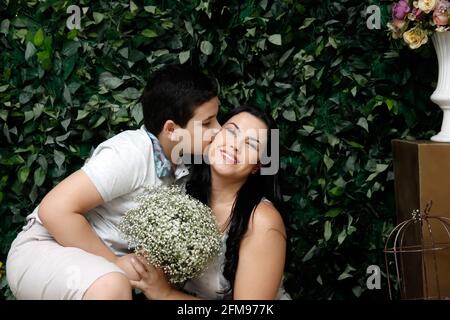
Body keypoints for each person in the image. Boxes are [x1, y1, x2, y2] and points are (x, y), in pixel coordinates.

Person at [5, 64, 220, 300]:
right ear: (171, 130)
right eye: (208, 123)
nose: (219, 130)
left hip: (90, 267)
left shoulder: (182, 168)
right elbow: (55, 210)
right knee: (112, 285)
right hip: (43, 248)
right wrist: (114, 261)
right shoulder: (131, 152)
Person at [129, 105, 291, 300]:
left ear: (258, 165)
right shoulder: (181, 189)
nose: (235, 145)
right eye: (231, 132)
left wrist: (165, 294)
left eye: (251, 145)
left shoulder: (262, 221)